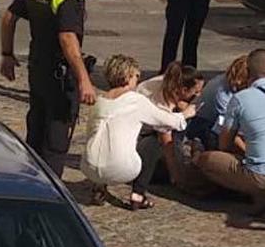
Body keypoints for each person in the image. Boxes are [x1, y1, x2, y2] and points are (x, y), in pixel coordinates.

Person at [1, 0, 97, 177]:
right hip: (60, 78)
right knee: (55, 141)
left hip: (38, 69)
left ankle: (29, 181)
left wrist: (7, 54)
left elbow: (8, 17)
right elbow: (67, 38)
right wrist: (84, 78)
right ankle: (50, 194)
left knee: (35, 132)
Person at [195, 49, 265, 216]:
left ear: (248, 72)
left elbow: (224, 144)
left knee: (206, 159)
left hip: (263, 179)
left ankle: (263, 197)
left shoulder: (241, 98)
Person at [81, 55, 190, 210]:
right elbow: (167, 122)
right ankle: (138, 194)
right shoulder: (136, 100)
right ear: (127, 76)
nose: (138, 80)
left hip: (88, 165)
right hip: (123, 168)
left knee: (104, 137)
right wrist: (187, 113)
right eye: (136, 76)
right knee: (153, 140)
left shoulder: (99, 100)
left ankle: (99, 187)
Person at [136, 63, 204, 188]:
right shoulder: (162, 104)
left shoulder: (168, 82)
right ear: (183, 90)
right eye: (195, 92)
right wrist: (177, 176)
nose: (198, 95)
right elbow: (166, 142)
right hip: (139, 138)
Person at [188, 55, 249, 150]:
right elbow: (227, 128)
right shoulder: (221, 92)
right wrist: (246, 151)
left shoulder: (230, 83)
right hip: (204, 124)